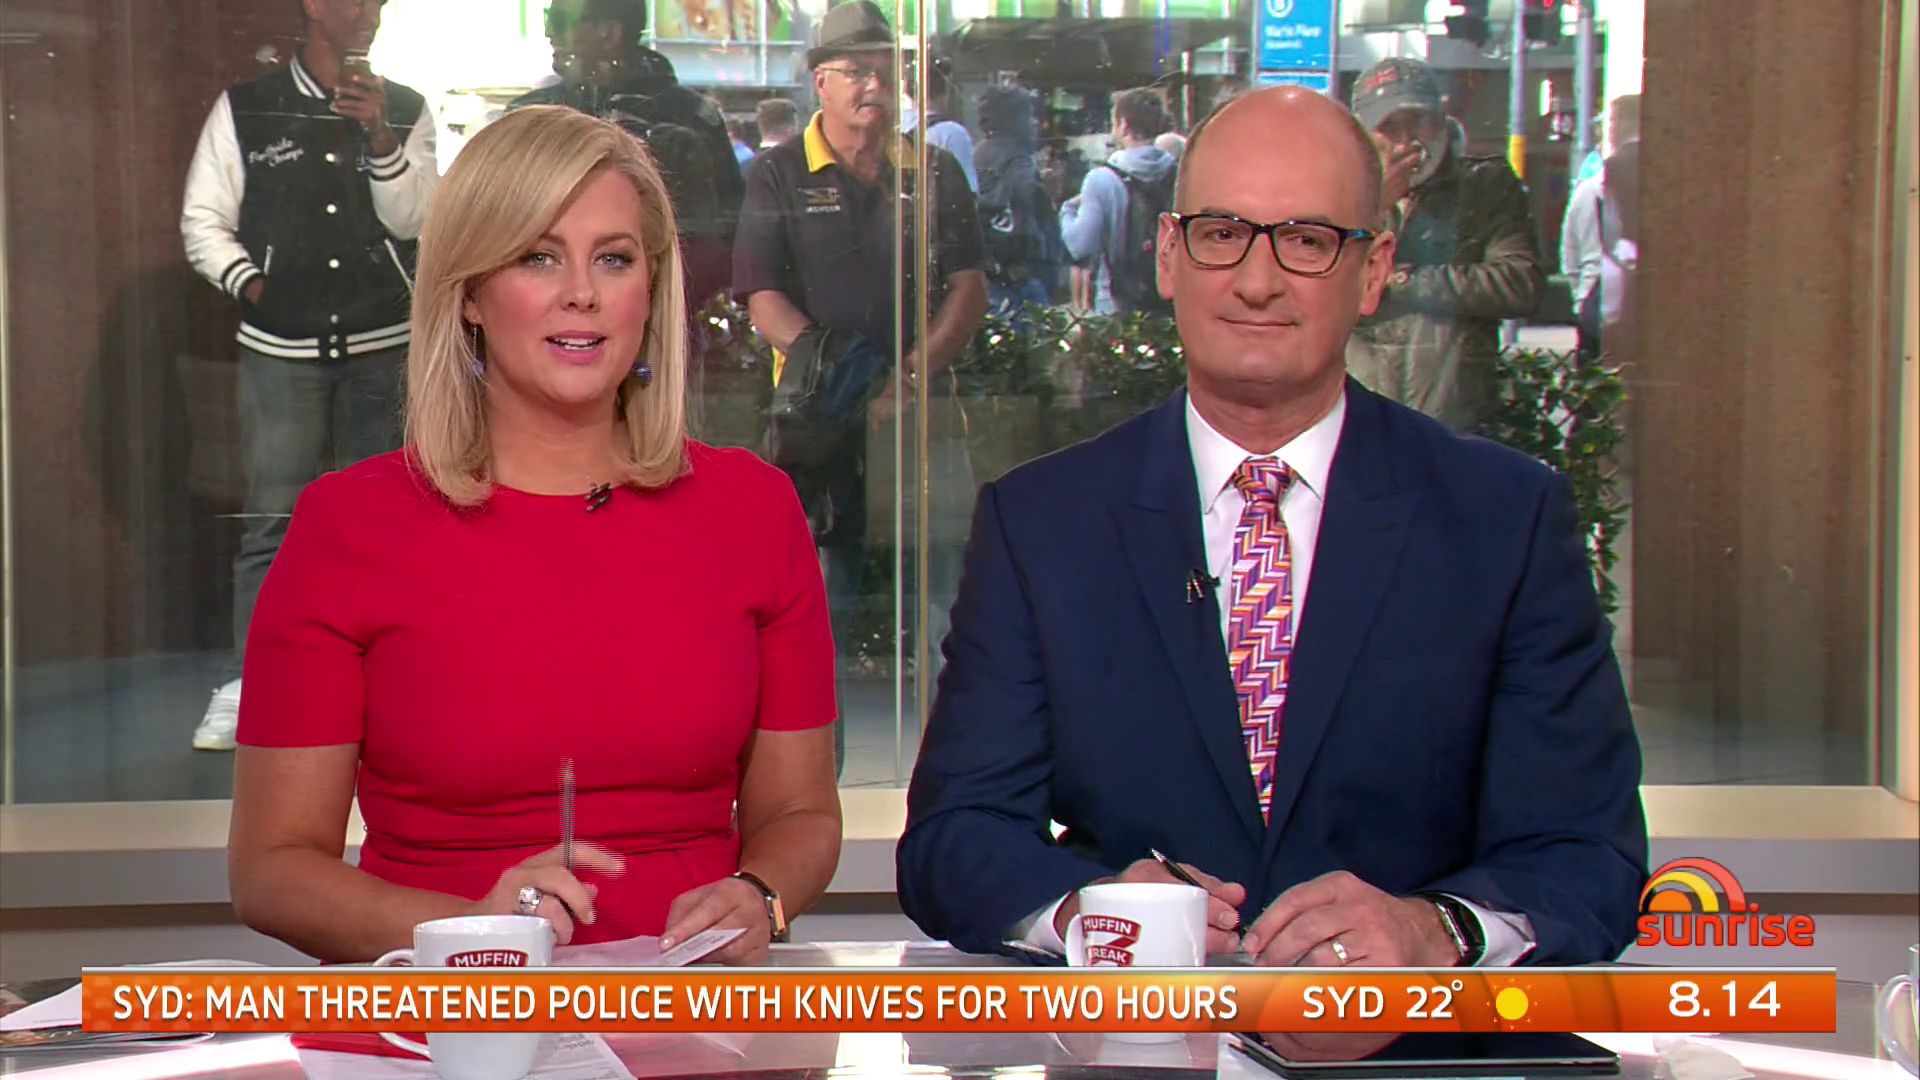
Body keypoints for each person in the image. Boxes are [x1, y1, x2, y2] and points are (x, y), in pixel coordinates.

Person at [896, 87, 1645, 992]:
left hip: (1412, 1046)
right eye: (1221, 233)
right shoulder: (1042, 523)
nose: (1257, 281)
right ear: (1167, 255)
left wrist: (1433, 932)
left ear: (1374, 271)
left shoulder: (1504, 520)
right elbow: (954, 838)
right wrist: (1089, 914)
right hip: (1136, 1038)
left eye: (1308, 240)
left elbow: (1587, 854)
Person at [226, 106, 842, 964]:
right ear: (470, 294)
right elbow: (273, 868)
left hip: (692, 1008)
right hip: (447, 1012)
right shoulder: (350, 526)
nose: (582, 292)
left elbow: (801, 814)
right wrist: (470, 932)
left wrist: (762, 895)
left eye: (614, 259)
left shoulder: (753, 510)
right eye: (538, 257)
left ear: (650, 290)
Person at [181, 0, 437, 752]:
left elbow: (417, 221)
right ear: (314, 6)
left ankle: (387, 682)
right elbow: (202, 219)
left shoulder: (405, 107)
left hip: (383, 344)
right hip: (280, 348)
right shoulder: (247, 108)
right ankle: (249, 685)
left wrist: (380, 136)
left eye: (378, 2)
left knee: (385, 521)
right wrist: (256, 287)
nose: (370, 13)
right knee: (272, 519)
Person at [732, 1, 988, 739]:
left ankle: (956, 767)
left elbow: (968, 287)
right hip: (822, 428)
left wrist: (906, 378)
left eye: (884, 68)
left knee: (950, 604)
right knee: (821, 612)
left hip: (921, 419)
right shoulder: (779, 173)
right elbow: (761, 296)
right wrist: (839, 373)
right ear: (821, 81)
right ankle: (820, 781)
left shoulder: (934, 170)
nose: (873, 84)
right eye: (855, 71)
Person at [1344, 57, 1545, 434]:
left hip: (1453, 419)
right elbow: (1320, 283)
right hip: (1360, 416)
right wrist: (1375, 205)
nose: (1407, 140)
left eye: (1418, 121)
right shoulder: (1339, 193)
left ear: (1441, 121)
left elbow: (1519, 284)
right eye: (1390, 127)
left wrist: (1405, 281)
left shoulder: (1485, 186)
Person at [511, 0, 743, 247]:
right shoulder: (530, 118)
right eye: (549, 19)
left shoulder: (691, 117)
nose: (549, 33)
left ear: (610, 33)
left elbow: (723, 231)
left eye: (560, 22)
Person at [1058, 87, 1177, 316]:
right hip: (1168, 300)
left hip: (1115, 302)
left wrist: (1068, 209)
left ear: (1123, 124)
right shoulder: (1177, 172)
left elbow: (1080, 245)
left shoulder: (1101, 179)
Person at [974, 85, 1066, 317]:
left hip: (995, 275)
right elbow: (1027, 193)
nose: (1035, 123)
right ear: (1013, 120)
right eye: (1029, 115)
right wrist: (1046, 191)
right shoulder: (1017, 158)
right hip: (1021, 280)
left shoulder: (980, 152)